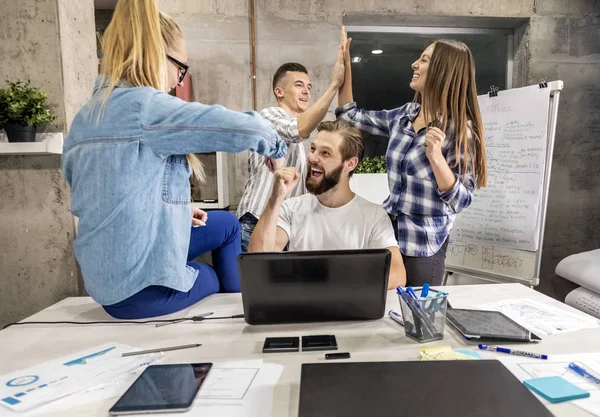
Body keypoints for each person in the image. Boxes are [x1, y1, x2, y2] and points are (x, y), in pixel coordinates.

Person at [62, 0, 286, 319]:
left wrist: (173, 211)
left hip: (105, 284)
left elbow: (103, 198)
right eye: (180, 68)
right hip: (142, 292)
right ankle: (242, 314)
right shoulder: (145, 108)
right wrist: (275, 147)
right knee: (209, 275)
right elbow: (231, 126)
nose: (178, 81)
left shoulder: (85, 117)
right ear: (155, 56)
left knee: (225, 223)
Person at [336, 30, 487, 286]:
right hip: (388, 236)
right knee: (382, 312)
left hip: (423, 246)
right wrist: (345, 66)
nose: (415, 64)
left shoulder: (461, 131)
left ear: (443, 71)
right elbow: (350, 117)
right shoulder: (405, 115)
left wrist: (437, 159)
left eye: (425, 60)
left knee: (418, 320)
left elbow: (461, 200)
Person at [248, 120, 406, 290]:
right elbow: (258, 260)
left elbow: (397, 275)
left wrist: (335, 287)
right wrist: (275, 198)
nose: (312, 158)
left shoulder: (373, 215)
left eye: (325, 153)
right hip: (303, 310)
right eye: (313, 149)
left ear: (350, 164)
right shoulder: (291, 208)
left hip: (350, 309)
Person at [237, 36, 346, 252]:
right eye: (299, 85)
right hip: (256, 222)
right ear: (279, 91)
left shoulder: (298, 142)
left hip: (283, 226)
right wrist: (334, 84)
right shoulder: (268, 117)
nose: (306, 91)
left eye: (308, 86)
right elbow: (298, 129)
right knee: (256, 285)